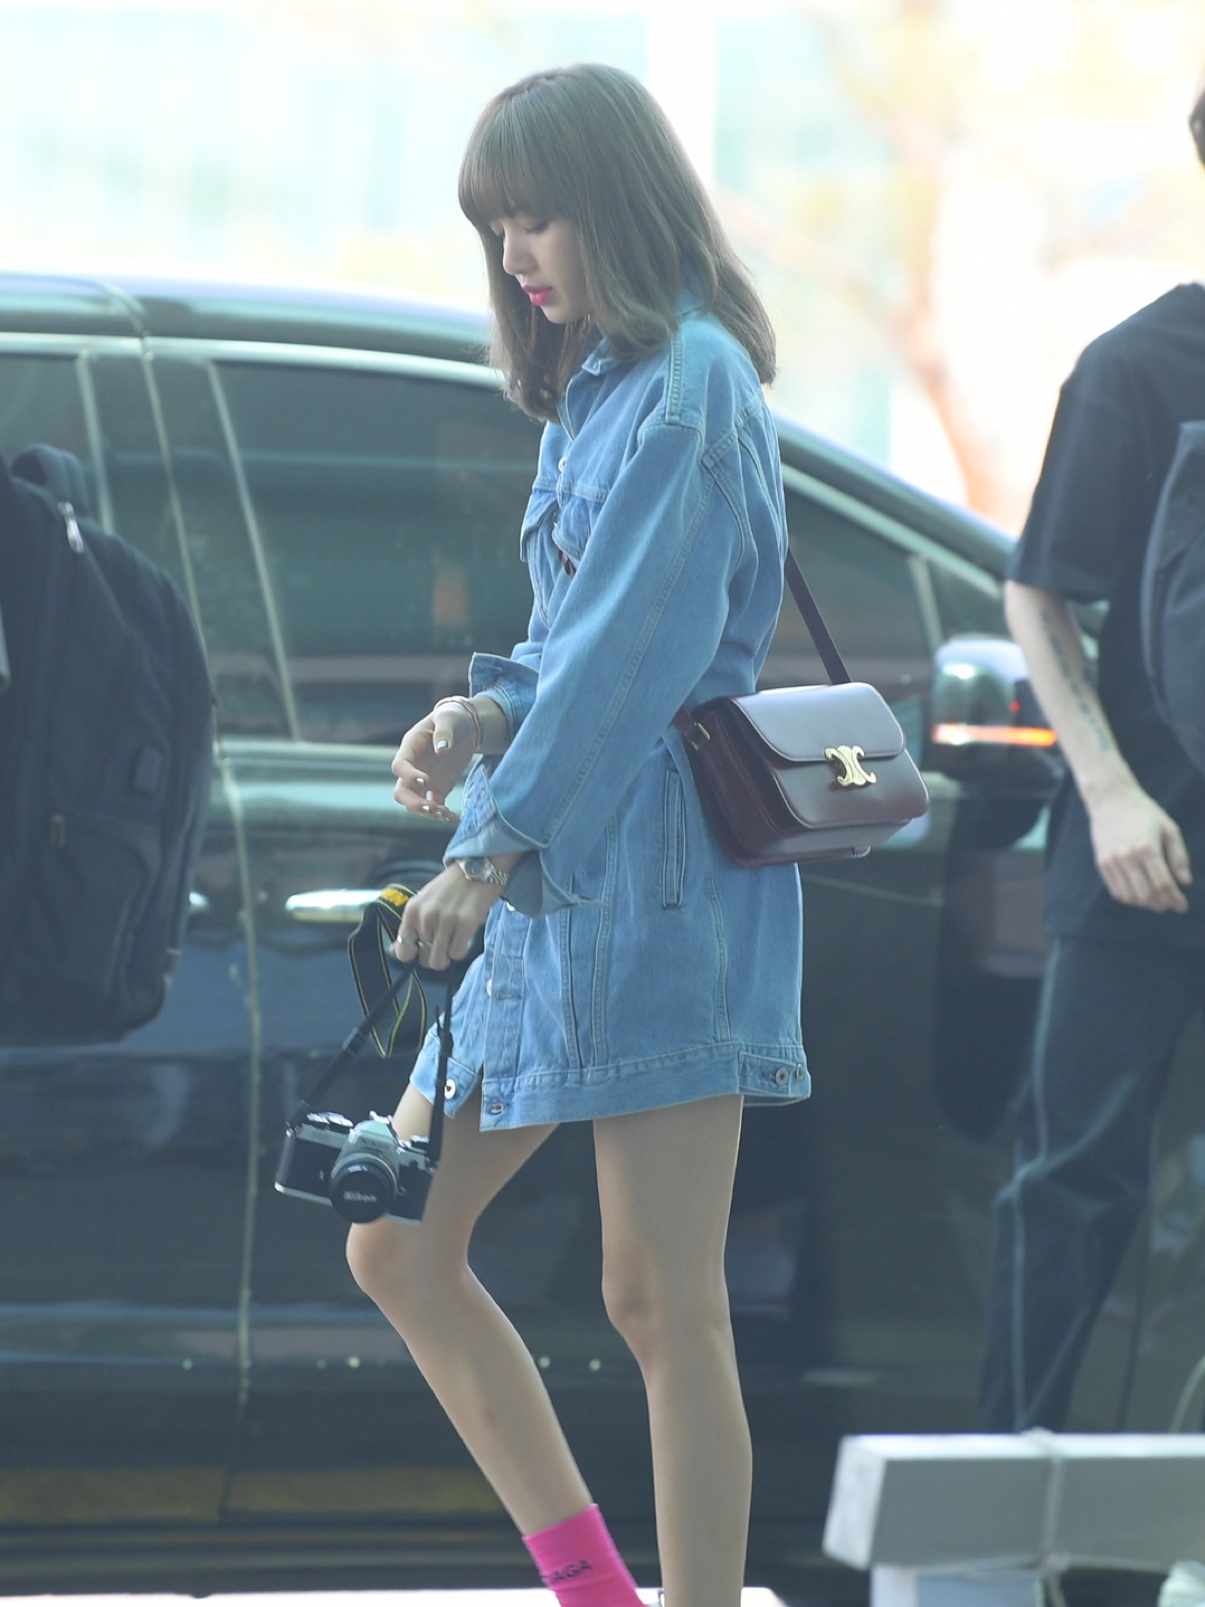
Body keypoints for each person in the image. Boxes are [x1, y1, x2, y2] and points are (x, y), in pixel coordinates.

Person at [345, 65, 807, 1607]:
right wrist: (478, 717)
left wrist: (487, 853)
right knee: (397, 1243)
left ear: (616, 201)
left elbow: (630, 662)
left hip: (652, 887)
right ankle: (598, 1592)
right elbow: (571, 649)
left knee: (661, 1299)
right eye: (496, 228)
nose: (514, 255)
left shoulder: (689, 386)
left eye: (535, 217)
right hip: (557, 879)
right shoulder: (607, 381)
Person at [980, 86, 1205, 1433]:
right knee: (1070, 1187)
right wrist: (1111, 796)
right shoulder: (1137, 366)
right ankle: (1006, 1508)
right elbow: (1037, 589)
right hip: (1143, 854)